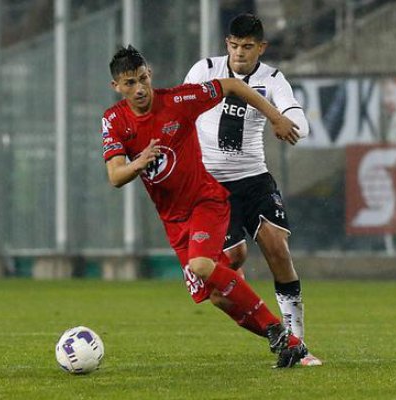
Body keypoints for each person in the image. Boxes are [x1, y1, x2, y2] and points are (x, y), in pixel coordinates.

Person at [102, 44, 307, 368]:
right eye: (130, 83)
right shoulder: (113, 120)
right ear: (116, 86)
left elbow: (233, 85)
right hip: (174, 221)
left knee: (202, 266)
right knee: (217, 296)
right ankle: (284, 341)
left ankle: (281, 334)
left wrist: (275, 117)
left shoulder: (178, 100)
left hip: (206, 202)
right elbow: (115, 176)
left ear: (150, 74)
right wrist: (139, 162)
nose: (139, 88)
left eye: (143, 79)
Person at [184, 14, 321, 366]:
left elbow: (297, 119)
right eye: (234, 45)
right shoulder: (205, 70)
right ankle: (264, 324)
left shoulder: (272, 79)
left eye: (247, 47)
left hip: (254, 178)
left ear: (262, 47)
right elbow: (182, 113)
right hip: (211, 185)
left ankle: (297, 341)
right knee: (232, 262)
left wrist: (287, 122)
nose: (240, 53)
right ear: (225, 44)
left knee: (276, 245)